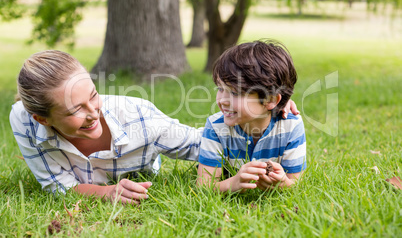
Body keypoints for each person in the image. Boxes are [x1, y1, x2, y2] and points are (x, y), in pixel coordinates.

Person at [10, 50, 299, 204]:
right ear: (42, 119)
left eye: (94, 96)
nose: (93, 113)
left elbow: (210, 145)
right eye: (75, 110)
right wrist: (108, 193)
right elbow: (57, 186)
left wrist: (268, 106)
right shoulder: (24, 120)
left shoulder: (140, 120)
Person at [197, 40, 306, 193]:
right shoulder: (216, 126)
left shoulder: (290, 126)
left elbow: (295, 183)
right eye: (220, 88)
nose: (222, 100)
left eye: (235, 92)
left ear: (270, 100)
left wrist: (283, 185)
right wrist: (233, 184)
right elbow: (203, 186)